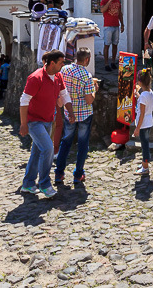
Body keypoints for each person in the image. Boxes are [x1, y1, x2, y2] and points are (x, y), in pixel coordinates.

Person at [19, 50, 75, 199]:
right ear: (52, 63)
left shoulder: (58, 76)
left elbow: (64, 95)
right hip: (34, 122)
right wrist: (24, 124)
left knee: (37, 152)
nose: (63, 65)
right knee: (49, 149)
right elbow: (24, 101)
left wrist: (71, 112)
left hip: (48, 120)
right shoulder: (36, 78)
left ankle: (28, 184)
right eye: (61, 62)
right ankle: (44, 184)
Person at [55, 49, 99, 186]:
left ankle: (59, 173)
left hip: (69, 112)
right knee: (82, 144)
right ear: (86, 60)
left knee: (66, 141)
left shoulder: (65, 70)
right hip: (84, 114)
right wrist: (95, 89)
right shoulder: (86, 76)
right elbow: (89, 100)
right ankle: (78, 174)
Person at [132, 68, 153, 177]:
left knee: (144, 145)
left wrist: (137, 128)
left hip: (144, 124)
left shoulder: (144, 96)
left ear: (140, 82)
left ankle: (145, 167)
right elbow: (144, 102)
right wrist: (137, 95)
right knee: (145, 144)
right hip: (148, 121)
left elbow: (141, 114)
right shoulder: (149, 93)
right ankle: (144, 165)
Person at [99, 0, 124, 71]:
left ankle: (113, 62)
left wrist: (122, 24)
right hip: (108, 26)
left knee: (115, 44)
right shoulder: (104, 1)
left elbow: (120, 13)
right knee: (107, 44)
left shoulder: (117, 1)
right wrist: (110, 1)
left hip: (116, 25)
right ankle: (106, 63)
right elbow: (102, 10)